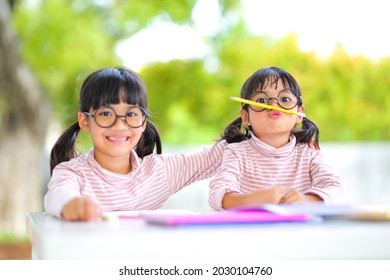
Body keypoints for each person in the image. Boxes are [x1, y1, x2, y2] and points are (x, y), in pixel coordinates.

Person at [45, 66, 226, 221]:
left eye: (131, 114)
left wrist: (251, 124)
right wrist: (71, 205)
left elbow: (212, 157)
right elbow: (58, 195)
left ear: (143, 122)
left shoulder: (158, 172)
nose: (120, 125)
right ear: (85, 121)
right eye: (106, 113)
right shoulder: (73, 173)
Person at [209, 66, 346, 210]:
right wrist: (250, 200)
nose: (273, 105)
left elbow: (337, 191)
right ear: (245, 116)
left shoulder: (309, 154)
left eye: (285, 99)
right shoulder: (236, 152)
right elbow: (217, 195)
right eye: (261, 100)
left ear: (300, 113)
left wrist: (309, 200)